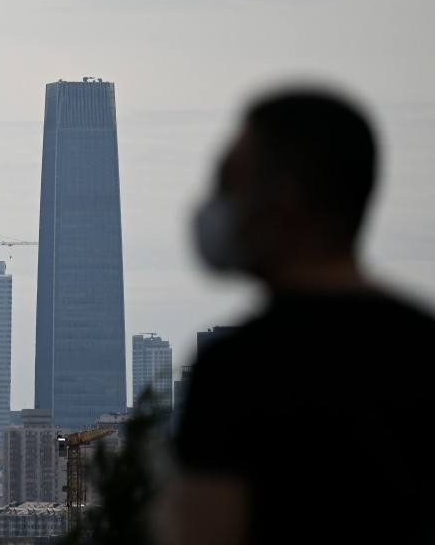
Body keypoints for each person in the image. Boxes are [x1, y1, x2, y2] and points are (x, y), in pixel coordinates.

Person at [153, 82, 435, 545]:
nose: (215, 206)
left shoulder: (237, 370)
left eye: (228, 183)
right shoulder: (424, 345)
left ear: (284, 205)